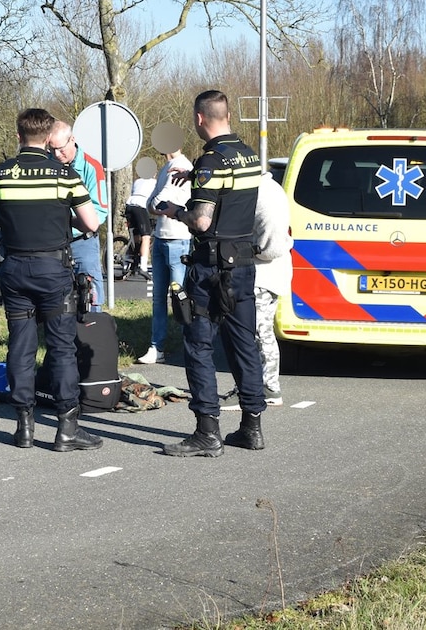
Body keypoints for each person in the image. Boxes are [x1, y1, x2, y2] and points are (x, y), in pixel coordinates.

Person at [0, 108, 104, 452]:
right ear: (48, 139)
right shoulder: (64, 174)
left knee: (21, 346)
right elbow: (91, 224)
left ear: (18, 136)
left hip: (14, 270)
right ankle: (66, 430)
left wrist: (10, 223)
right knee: (61, 348)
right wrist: (61, 218)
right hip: (53, 272)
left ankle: (24, 427)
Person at [151, 90, 265, 456]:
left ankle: (207, 432)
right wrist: (196, 174)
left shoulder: (210, 162)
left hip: (210, 268)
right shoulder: (248, 155)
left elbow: (201, 220)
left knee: (198, 344)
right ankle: (252, 427)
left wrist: (173, 211)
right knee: (244, 344)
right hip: (243, 265)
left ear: (200, 118)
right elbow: (229, 194)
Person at [136, 147, 194, 365]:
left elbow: (158, 200)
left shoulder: (184, 166)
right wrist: (155, 205)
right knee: (158, 298)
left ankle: (190, 345)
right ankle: (156, 346)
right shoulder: (166, 169)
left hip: (179, 239)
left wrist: (156, 205)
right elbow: (151, 203)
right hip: (160, 238)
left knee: (180, 298)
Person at [48, 121, 109, 311]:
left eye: (60, 149)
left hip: (83, 242)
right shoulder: (47, 167)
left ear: (72, 139)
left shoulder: (92, 167)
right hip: (54, 242)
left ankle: (92, 335)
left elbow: (99, 213)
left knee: (90, 295)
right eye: (52, 150)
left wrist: (69, 221)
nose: (57, 154)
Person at [251, 172, 293, 406]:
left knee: (259, 332)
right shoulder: (271, 189)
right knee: (261, 331)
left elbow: (270, 246)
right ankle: (263, 385)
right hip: (271, 272)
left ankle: (268, 387)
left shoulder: (262, 193)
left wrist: (246, 251)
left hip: (264, 274)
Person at [121, 170, 154, 280]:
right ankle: (143, 268)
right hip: (140, 206)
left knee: (135, 238)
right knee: (146, 237)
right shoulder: (154, 182)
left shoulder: (137, 181)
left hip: (129, 205)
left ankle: (128, 263)